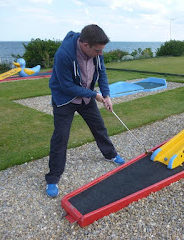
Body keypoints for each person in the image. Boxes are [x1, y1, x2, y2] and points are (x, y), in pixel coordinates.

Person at [45, 24, 125, 198]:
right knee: (61, 137)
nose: (100, 54)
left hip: (87, 97)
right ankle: (53, 178)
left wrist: (106, 95)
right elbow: (66, 86)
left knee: (99, 127)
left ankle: (110, 154)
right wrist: (94, 95)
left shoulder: (97, 52)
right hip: (64, 100)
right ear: (84, 44)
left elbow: (102, 73)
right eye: (97, 50)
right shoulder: (63, 55)